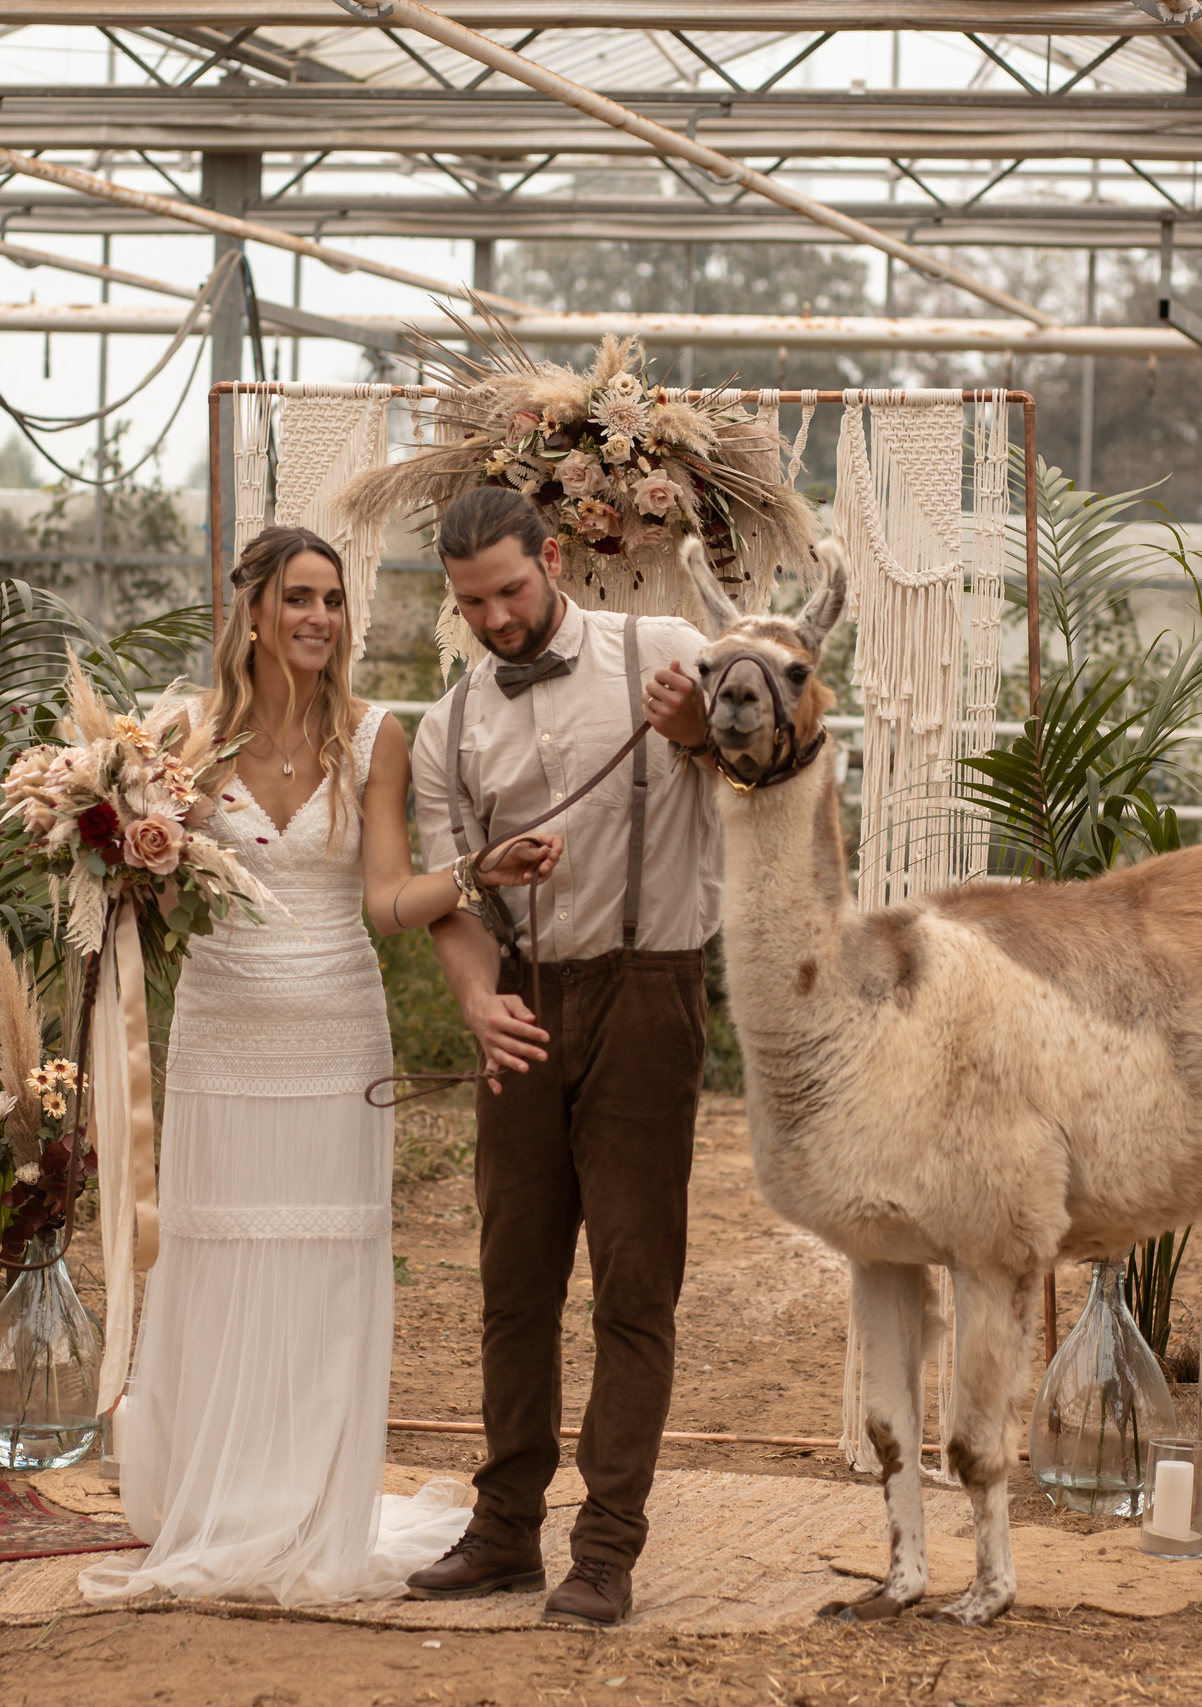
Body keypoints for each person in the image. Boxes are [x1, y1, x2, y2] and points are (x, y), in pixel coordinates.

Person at [80, 524, 561, 1607]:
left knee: (326, 1275)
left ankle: (309, 1507)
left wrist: (475, 871)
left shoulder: (376, 737)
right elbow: (150, 904)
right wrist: (103, 846)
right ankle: (219, 1501)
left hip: (338, 1032)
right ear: (252, 611)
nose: (318, 620)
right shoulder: (177, 742)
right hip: (220, 1037)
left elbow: (387, 903)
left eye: (333, 602)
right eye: (298, 598)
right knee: (214, 1265)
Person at [402, 486, 720, 1630]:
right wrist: (480, 1004)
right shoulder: (449, 725)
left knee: (635, 1285)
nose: (493, 619)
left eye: (509, 592)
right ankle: (502, 1535)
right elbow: (450, 903)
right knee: (513, 1283)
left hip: (649, 992)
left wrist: (690, 728)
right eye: (471, 604)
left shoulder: (668, 650)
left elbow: (750, 768)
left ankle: (607, 1549)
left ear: (552, 560)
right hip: (524, 1003)